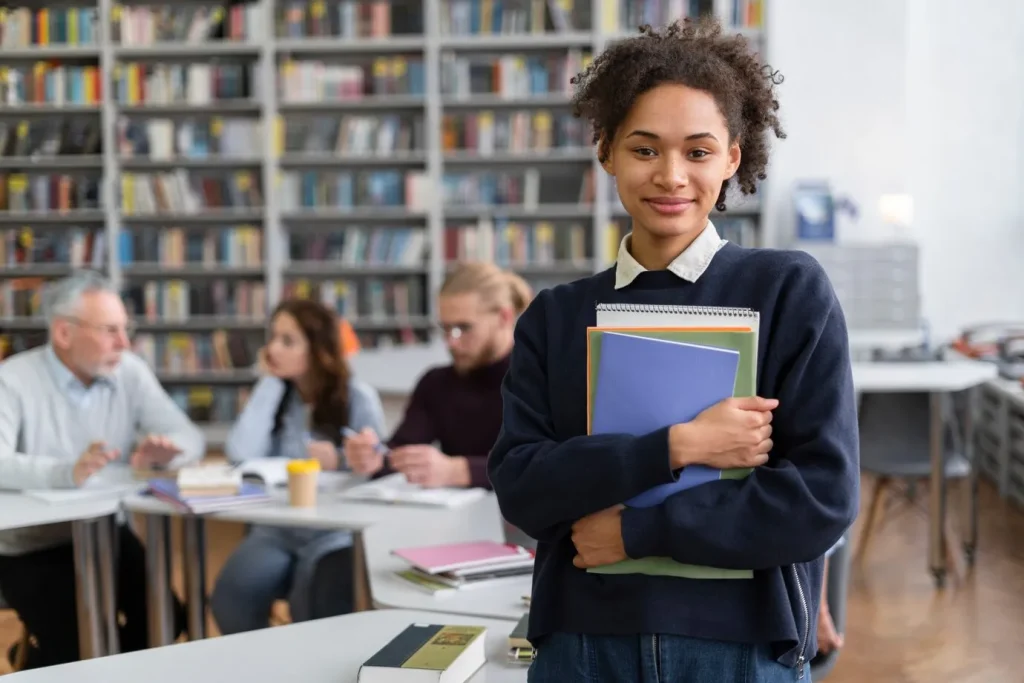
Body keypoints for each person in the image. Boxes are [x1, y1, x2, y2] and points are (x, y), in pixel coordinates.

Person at [487, 17, 859, 683]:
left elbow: (819, 498)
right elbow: (523, 490)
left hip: (739, 647)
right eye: (644, 149)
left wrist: (637, 532)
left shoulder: (786, 291)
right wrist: (678, 446)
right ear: (605, 150)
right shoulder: (556, 316)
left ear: (734, 157)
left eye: (697, 151)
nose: (670, 176)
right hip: (583, 645)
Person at [0, 270, 199, 669]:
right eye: (110, 330)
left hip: (107, 533)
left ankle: (64, 664)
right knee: (78, 646)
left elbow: (188, 436)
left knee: (167, 619)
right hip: (30, 546)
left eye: (126, 329)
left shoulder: (128, 371)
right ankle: (68, 663)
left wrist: (165, 454)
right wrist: (65, 472)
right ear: (64, 333)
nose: (124, 343)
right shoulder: (13, 380)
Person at [209, 298, 386, 634]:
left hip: (335, 533)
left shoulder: (358, 397)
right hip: (278, 528)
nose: (273, 349)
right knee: (232, 595)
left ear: (318, 350)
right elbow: (240, 454)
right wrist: (270, 382)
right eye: (272, 338)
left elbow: (380, 464)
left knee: (312, 603)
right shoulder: (277, 397)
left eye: (287, 341)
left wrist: (344, 459)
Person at [344, 261, 532, 490]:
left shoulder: (540, 380)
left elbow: (548, 465)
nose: (451, 342)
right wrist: (372, 458)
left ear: (504, 317)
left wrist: (459, 471)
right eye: (445, 328)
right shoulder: (436, 383)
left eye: (463, 328)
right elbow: (399, 452)